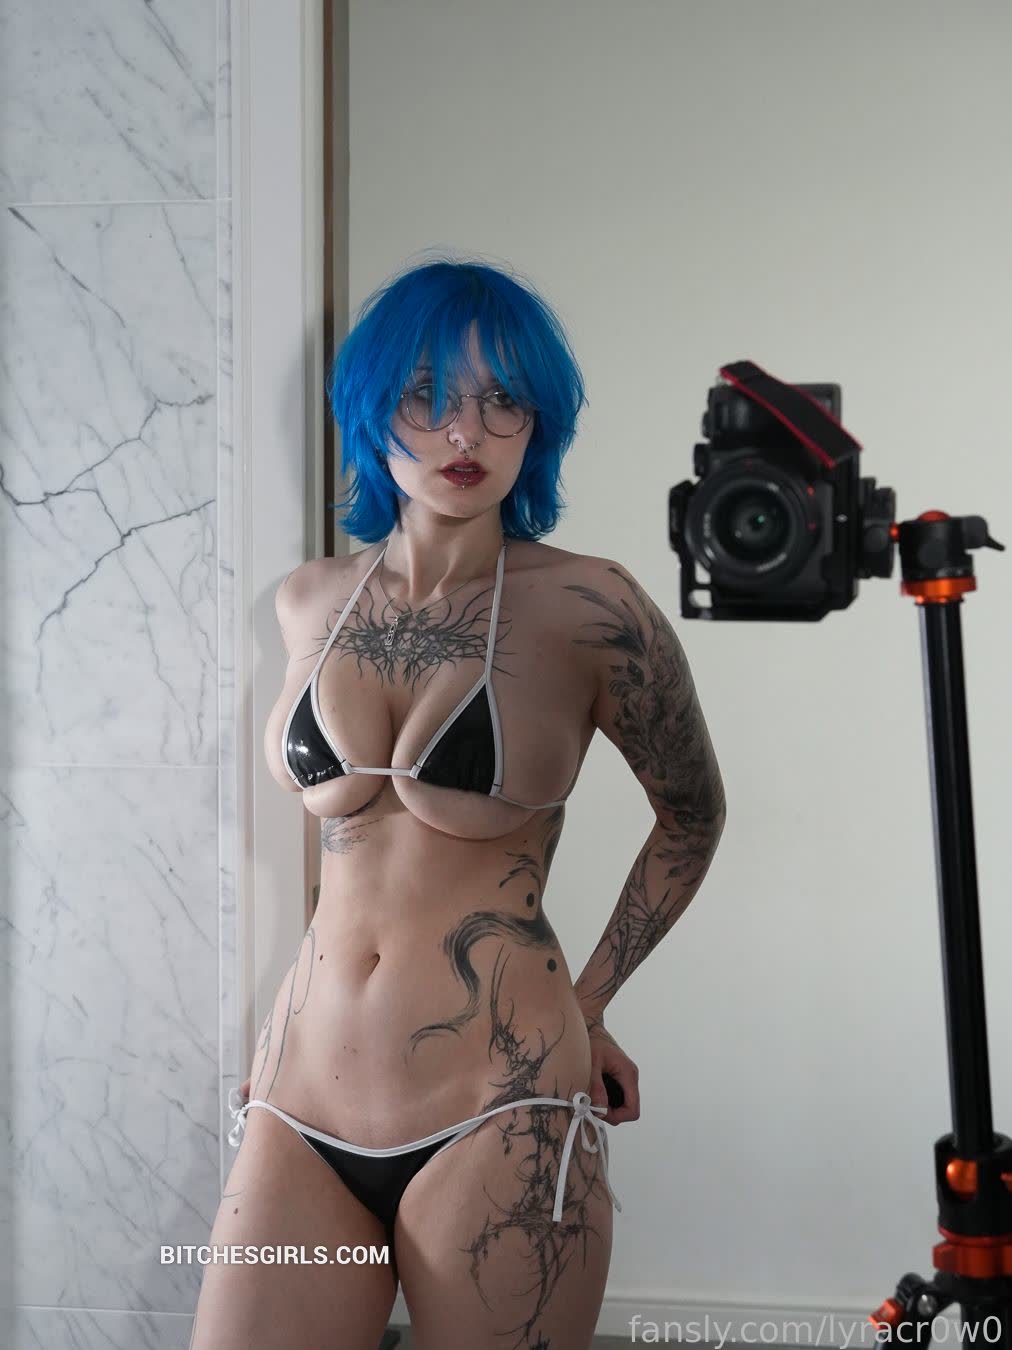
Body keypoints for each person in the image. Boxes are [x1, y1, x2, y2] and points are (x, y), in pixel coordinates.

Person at [189, 257, 727, 1350]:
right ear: (369, 411)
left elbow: (692, 814)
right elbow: (349, 851)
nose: (463, 430)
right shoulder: (308, 602)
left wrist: (590, 1004)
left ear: (541, 422)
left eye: (502, 398)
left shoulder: (589, 607)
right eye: (425, 395)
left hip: (501, 1103)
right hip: (299, 1100)